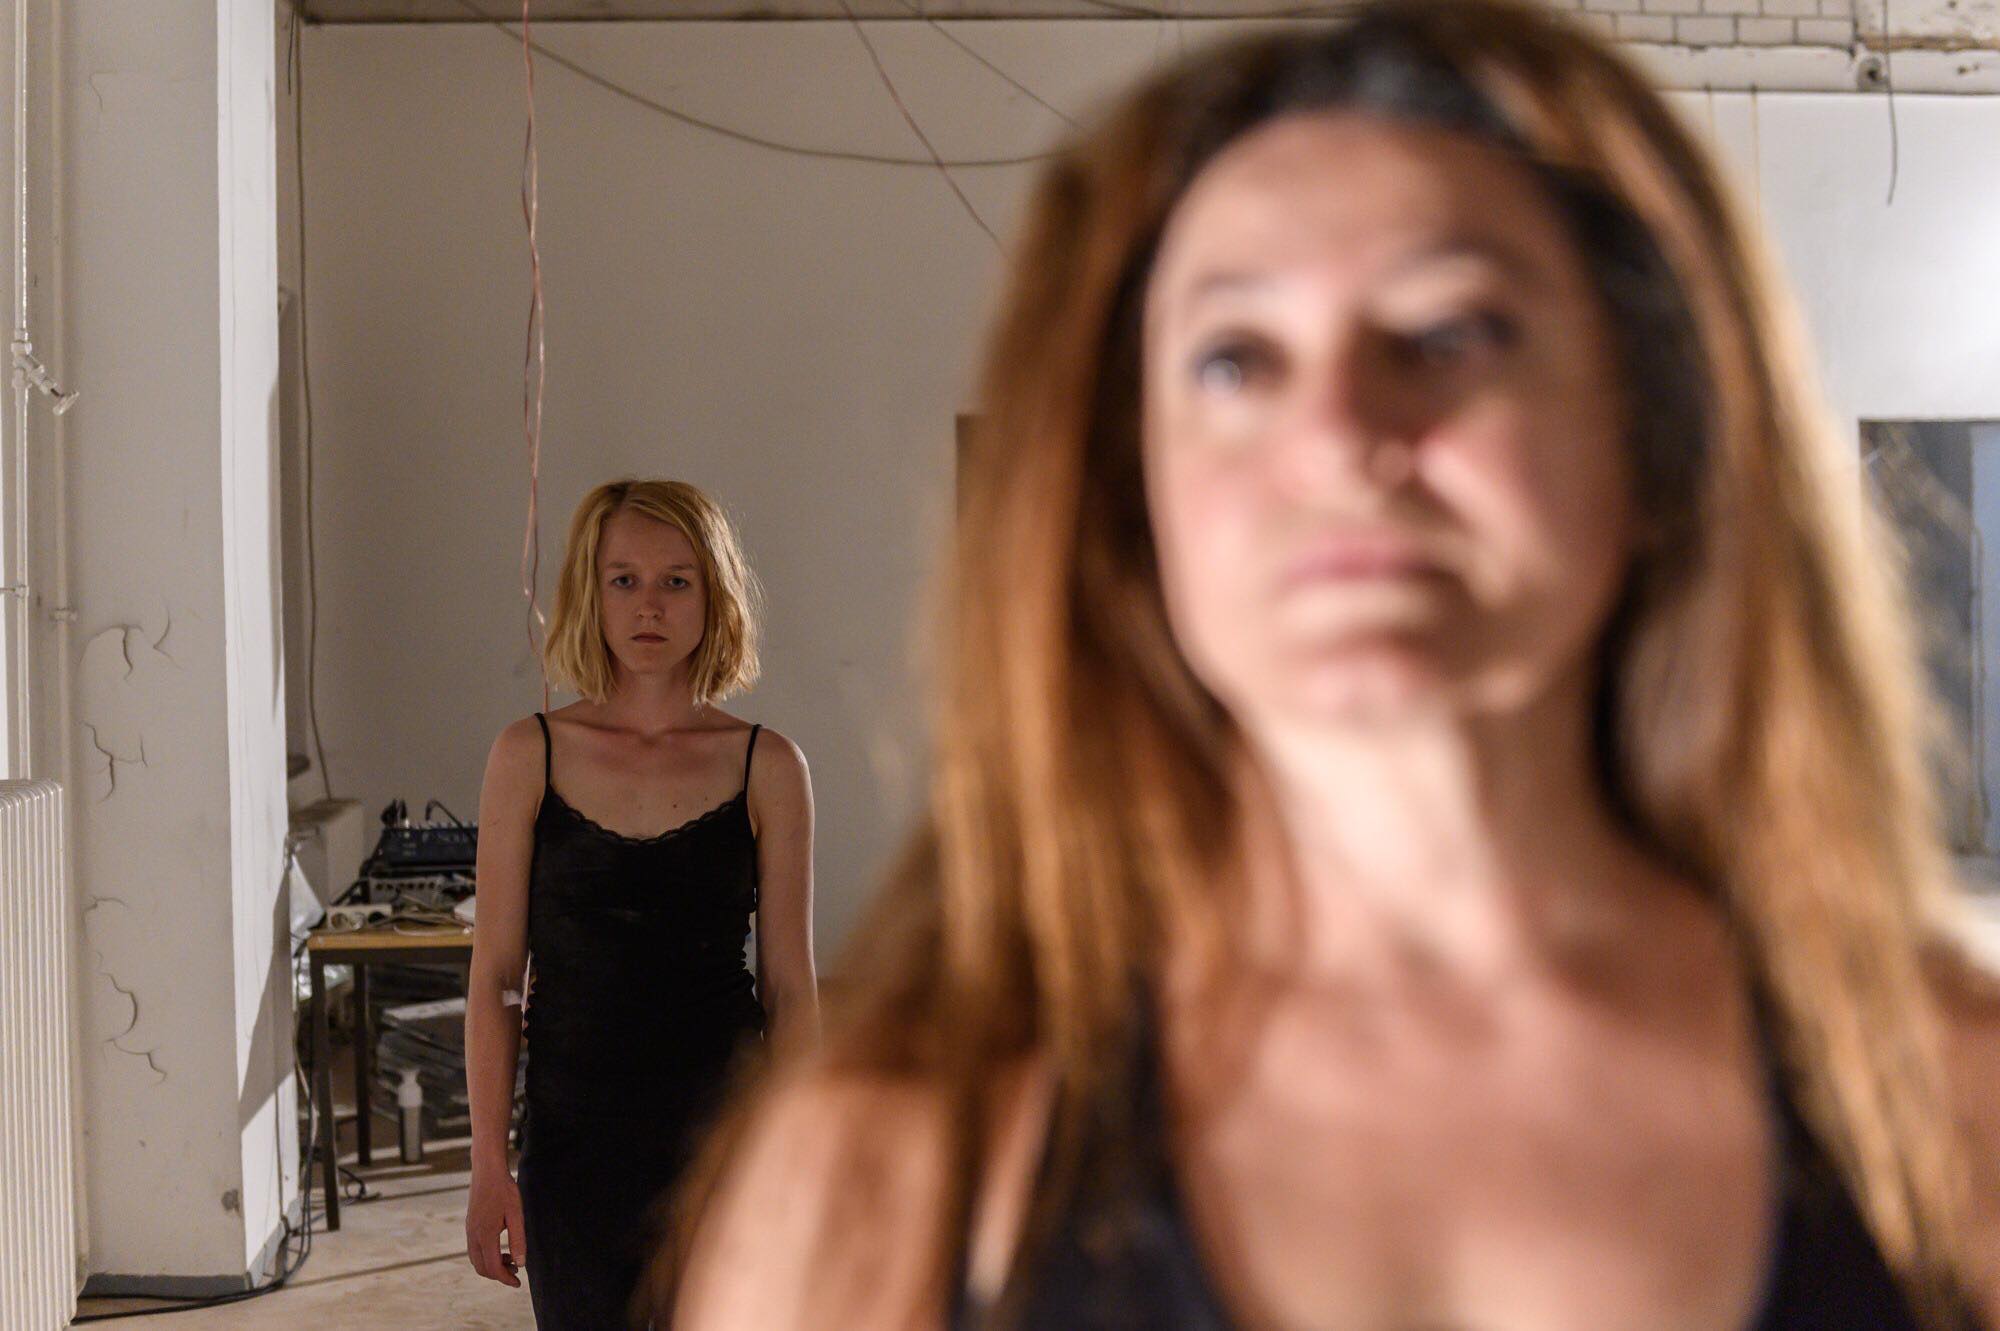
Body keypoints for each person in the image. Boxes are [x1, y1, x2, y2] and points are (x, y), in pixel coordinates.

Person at [651, 1, 2000, 1327]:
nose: (1340, 433)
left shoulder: (1951, 1103)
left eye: (1451, 331)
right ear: (1133, 501)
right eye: (1235, 360)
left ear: (1654, 433)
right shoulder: (884, 1177)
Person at [463, 478, 819, 1328]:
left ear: (714, 595)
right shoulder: (527, 754)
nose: (648, 605)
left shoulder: (769, 766)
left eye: (676, 580)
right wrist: (486, 1163)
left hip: (724, 1134)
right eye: (624, 579)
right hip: (573, 1140)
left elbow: (791, 986)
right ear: (591, 592)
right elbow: (496, 974)